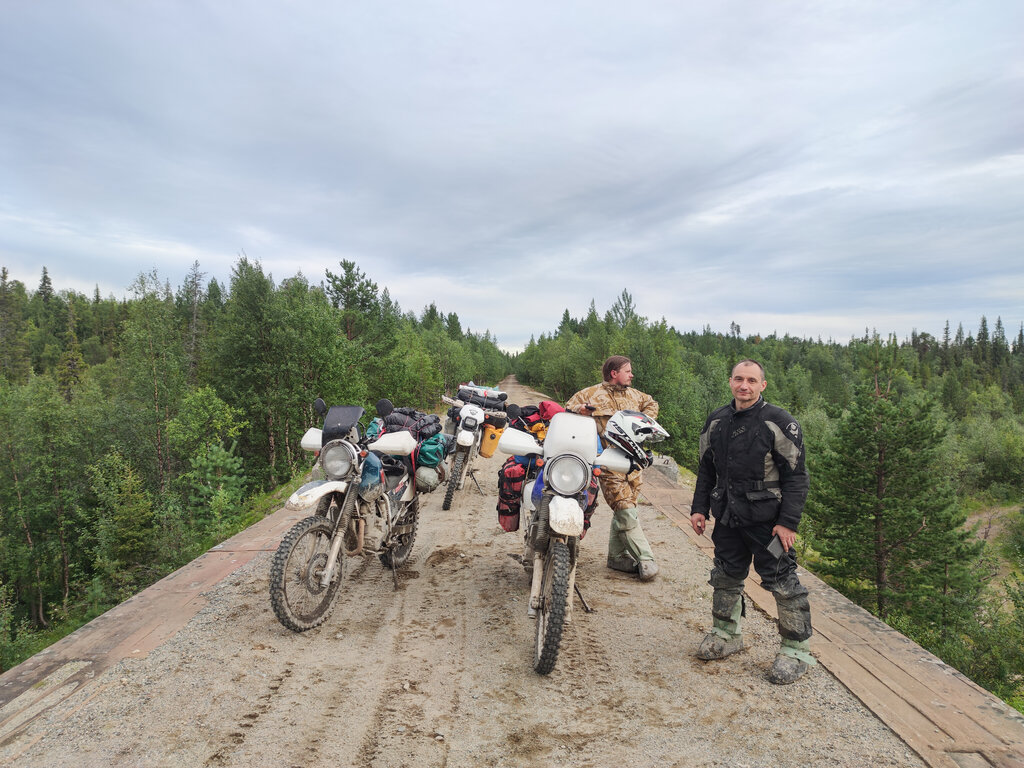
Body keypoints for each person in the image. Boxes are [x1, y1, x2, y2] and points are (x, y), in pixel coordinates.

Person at [689, 359, 815, 684]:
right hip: (727, 517)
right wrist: (699, 508)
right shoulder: (716, 420)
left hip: (768, 523)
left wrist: (788, 523)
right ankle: (726, 633)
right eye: (738, 379)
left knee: (783, 581)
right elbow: (706, 469)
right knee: (725, 575)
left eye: (751, 380)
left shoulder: (779, 422)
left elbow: (797, 477)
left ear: (763, 385)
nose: (744, 385)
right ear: (730, 381)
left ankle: (796, 651)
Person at [565, 355, 660, 581]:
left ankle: (616, 558)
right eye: (627, 371)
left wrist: (643, 422)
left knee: (628, 508)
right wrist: (580, 410)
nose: (631, 375)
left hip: (633, 463)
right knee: (624, 508)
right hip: (608, 462)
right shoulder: (590, 394)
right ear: (614, 373)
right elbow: (567, 408)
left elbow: (652, 404)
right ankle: (646, 558)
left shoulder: (636, 395)